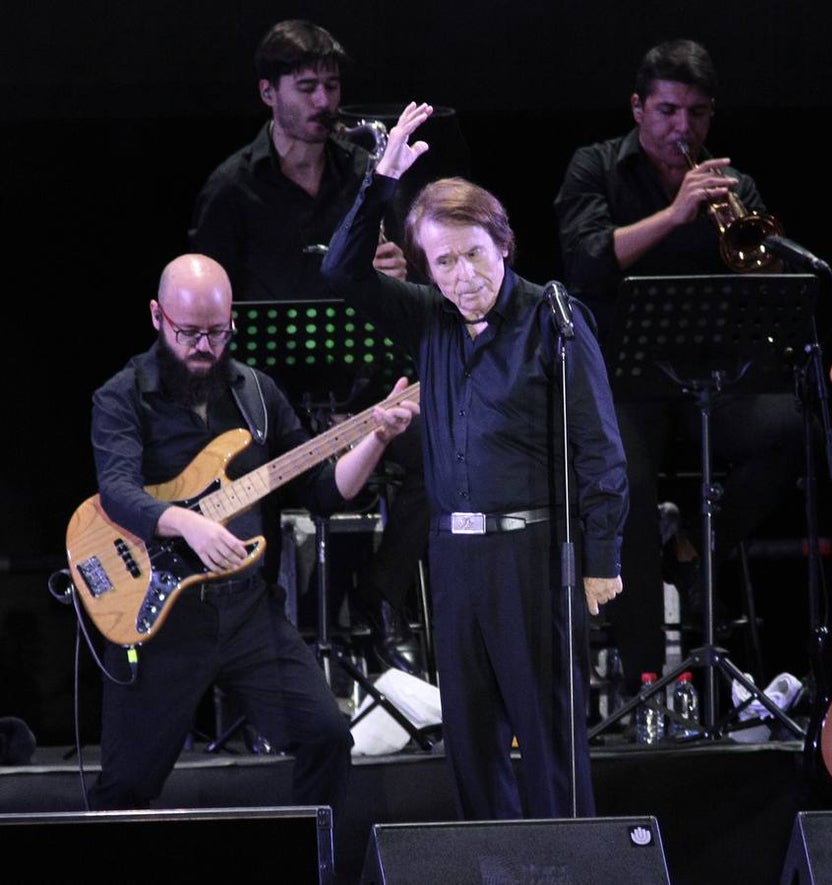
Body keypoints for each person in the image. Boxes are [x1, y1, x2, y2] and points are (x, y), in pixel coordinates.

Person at [320, 101, 628, 819]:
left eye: (474, 256)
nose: (461, 276)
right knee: (470, 741)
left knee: (548, 739)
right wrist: (381, 178)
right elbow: (342, 271)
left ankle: (567, 866)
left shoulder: (553, 318)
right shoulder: (429, 320)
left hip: (532, 557)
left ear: (504, 245)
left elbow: (600, 447)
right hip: (455, 561)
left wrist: (603, 555)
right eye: (444, 261)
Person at [85, 254, 419, 857]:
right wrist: (186, 523)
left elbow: (321, 492)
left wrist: (374, 436)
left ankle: (310, 866)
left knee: (325, 737)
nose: (204, 346)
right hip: (162, 623)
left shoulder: (259, 395)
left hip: (248, 614)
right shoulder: (121, 396)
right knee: (126, 786)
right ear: (158, 317)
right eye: (189, 333)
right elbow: (116, 490)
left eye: (216, 331)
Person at [553, 38, 808, 700]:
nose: (681, 129)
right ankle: (645, 678)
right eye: (667, 111)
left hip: (710, 376)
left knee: (791, 425)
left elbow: (763, 280)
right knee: (626, 486)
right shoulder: (595, 168)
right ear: (639, 108)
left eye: (695, 114)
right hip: (622, 377)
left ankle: (694, 546)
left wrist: (762, 260)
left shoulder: (733, 186)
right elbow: (584, 263)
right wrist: (673, 215)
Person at [189, 19, 428, 675]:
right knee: (234, 487)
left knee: (444, 446)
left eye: (331, 85)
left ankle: (378, 599)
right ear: (269, 94)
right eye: (306, 87)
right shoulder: (231, 189)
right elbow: (208, 312)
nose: (325, 102)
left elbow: (405, 286)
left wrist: (394, 276)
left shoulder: (368, 174)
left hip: (361, 391)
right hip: (268, 408)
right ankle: (262, 658)